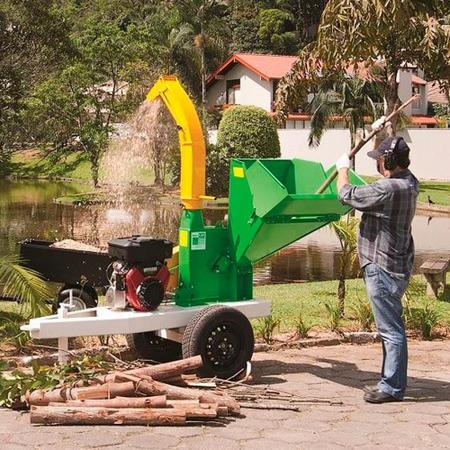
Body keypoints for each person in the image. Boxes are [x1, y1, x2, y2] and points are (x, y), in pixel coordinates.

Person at [335, 118, 419, 403]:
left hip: (382, 267)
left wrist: (342, 168)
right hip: (399, 265)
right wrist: (383, 130)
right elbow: (388, 171)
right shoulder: (410, 183)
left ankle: (392, 388)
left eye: (380, 159)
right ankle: (390, 379)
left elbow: (346, 195)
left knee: (390, 330)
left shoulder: (388, 190)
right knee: (391, 327)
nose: (377, 164)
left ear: (388, 161)